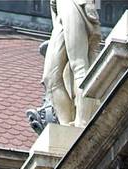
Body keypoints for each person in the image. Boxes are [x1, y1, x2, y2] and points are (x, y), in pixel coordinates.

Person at [42, 0, 101, 128]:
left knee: (79, 65)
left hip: (74, 3)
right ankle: (65, 126)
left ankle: (82, 121)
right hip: (59, 9)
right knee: (50, 78)